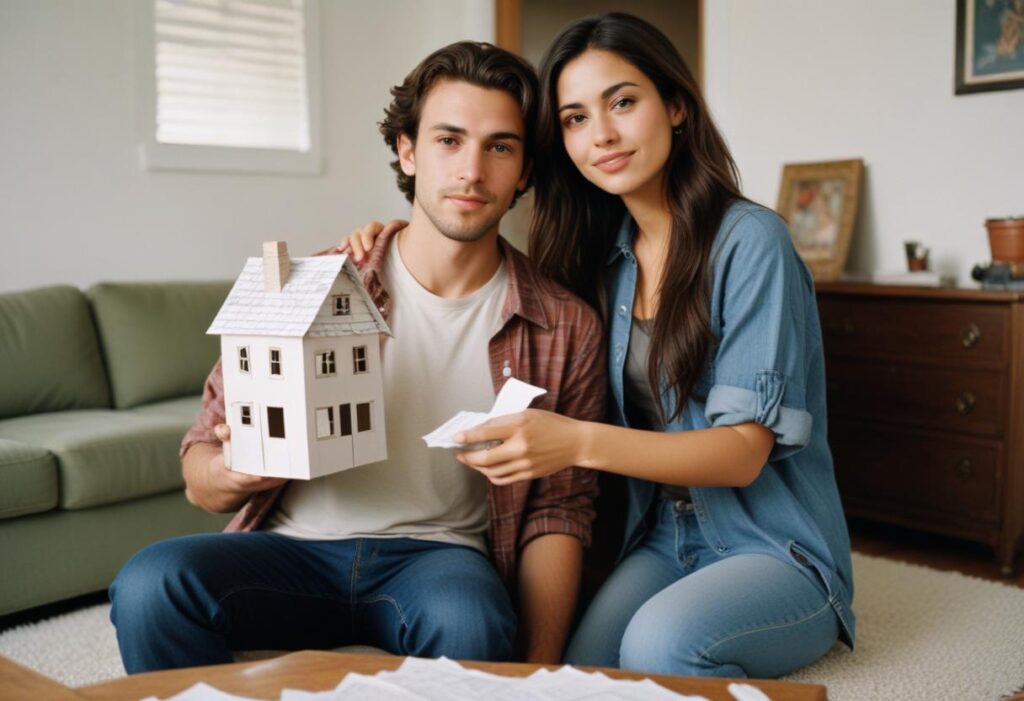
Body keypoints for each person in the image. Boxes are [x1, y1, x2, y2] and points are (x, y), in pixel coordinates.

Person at [342, 13, 854, 680]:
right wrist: (392, 237)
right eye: (576, 118)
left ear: (674, 106)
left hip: (774, 545)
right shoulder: (604, 262)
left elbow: (741, 453)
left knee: (659, 649)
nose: (602, 134)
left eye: (623, 102)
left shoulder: (751, 242)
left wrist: (575, 440)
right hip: (665, 536)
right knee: (578, 674)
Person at [108, 41, 606, 673]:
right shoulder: (311, 282)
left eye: (499, 147)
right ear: (408, 150)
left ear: (526, 170)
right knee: (152, 584)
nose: (472, 171)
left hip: (437, 557)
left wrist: (538, 669)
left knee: (474, 625)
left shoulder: (565, 324)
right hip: (290, 549)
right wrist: (233, 471)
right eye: (448, 140)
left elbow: (561, 509)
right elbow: (200, 467)